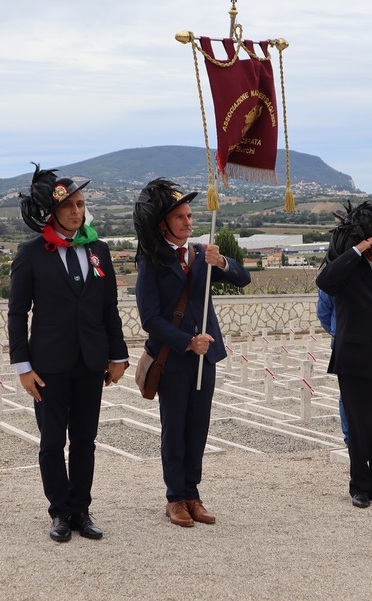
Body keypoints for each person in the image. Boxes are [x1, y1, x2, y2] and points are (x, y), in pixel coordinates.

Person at [8, 163, 129, 542]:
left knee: (84, 441)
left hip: (91, 363)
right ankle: (59, 511)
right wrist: (22, 366)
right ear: (52, 211)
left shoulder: (98, 250)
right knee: (51, 442)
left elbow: (109, 307)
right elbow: (17, 313)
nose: (77, 211)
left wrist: (118, 355)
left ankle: (81, 509)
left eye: (81, 204)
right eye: (69, 205)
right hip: (48, 365)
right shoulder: (31, 254)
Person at [133, 178, 251, 527]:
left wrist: (223, 261)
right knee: (175, 428)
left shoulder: (202, 255)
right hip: (173, 359)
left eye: (188, 215)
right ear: (163, 224)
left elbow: (243, 279)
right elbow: (150, 318)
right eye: (179, 217)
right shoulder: (151, 260)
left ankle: (193, 494)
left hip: (205, 358)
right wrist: (187, 341)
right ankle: (175, 498)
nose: (187, 221)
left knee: (198, 428)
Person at [316, 201, 372, 509]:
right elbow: (325, 280)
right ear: (367, 243)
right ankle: (360, 487)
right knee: (359, 429)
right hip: (357, 365)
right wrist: (359, 248)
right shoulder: (349, 274)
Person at [315, 289, 349, 445]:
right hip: (343, 339)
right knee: (347, 391)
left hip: (371, 339)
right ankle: (350, 437)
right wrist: (336, 331)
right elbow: (323, 312)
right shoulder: (334, 279)